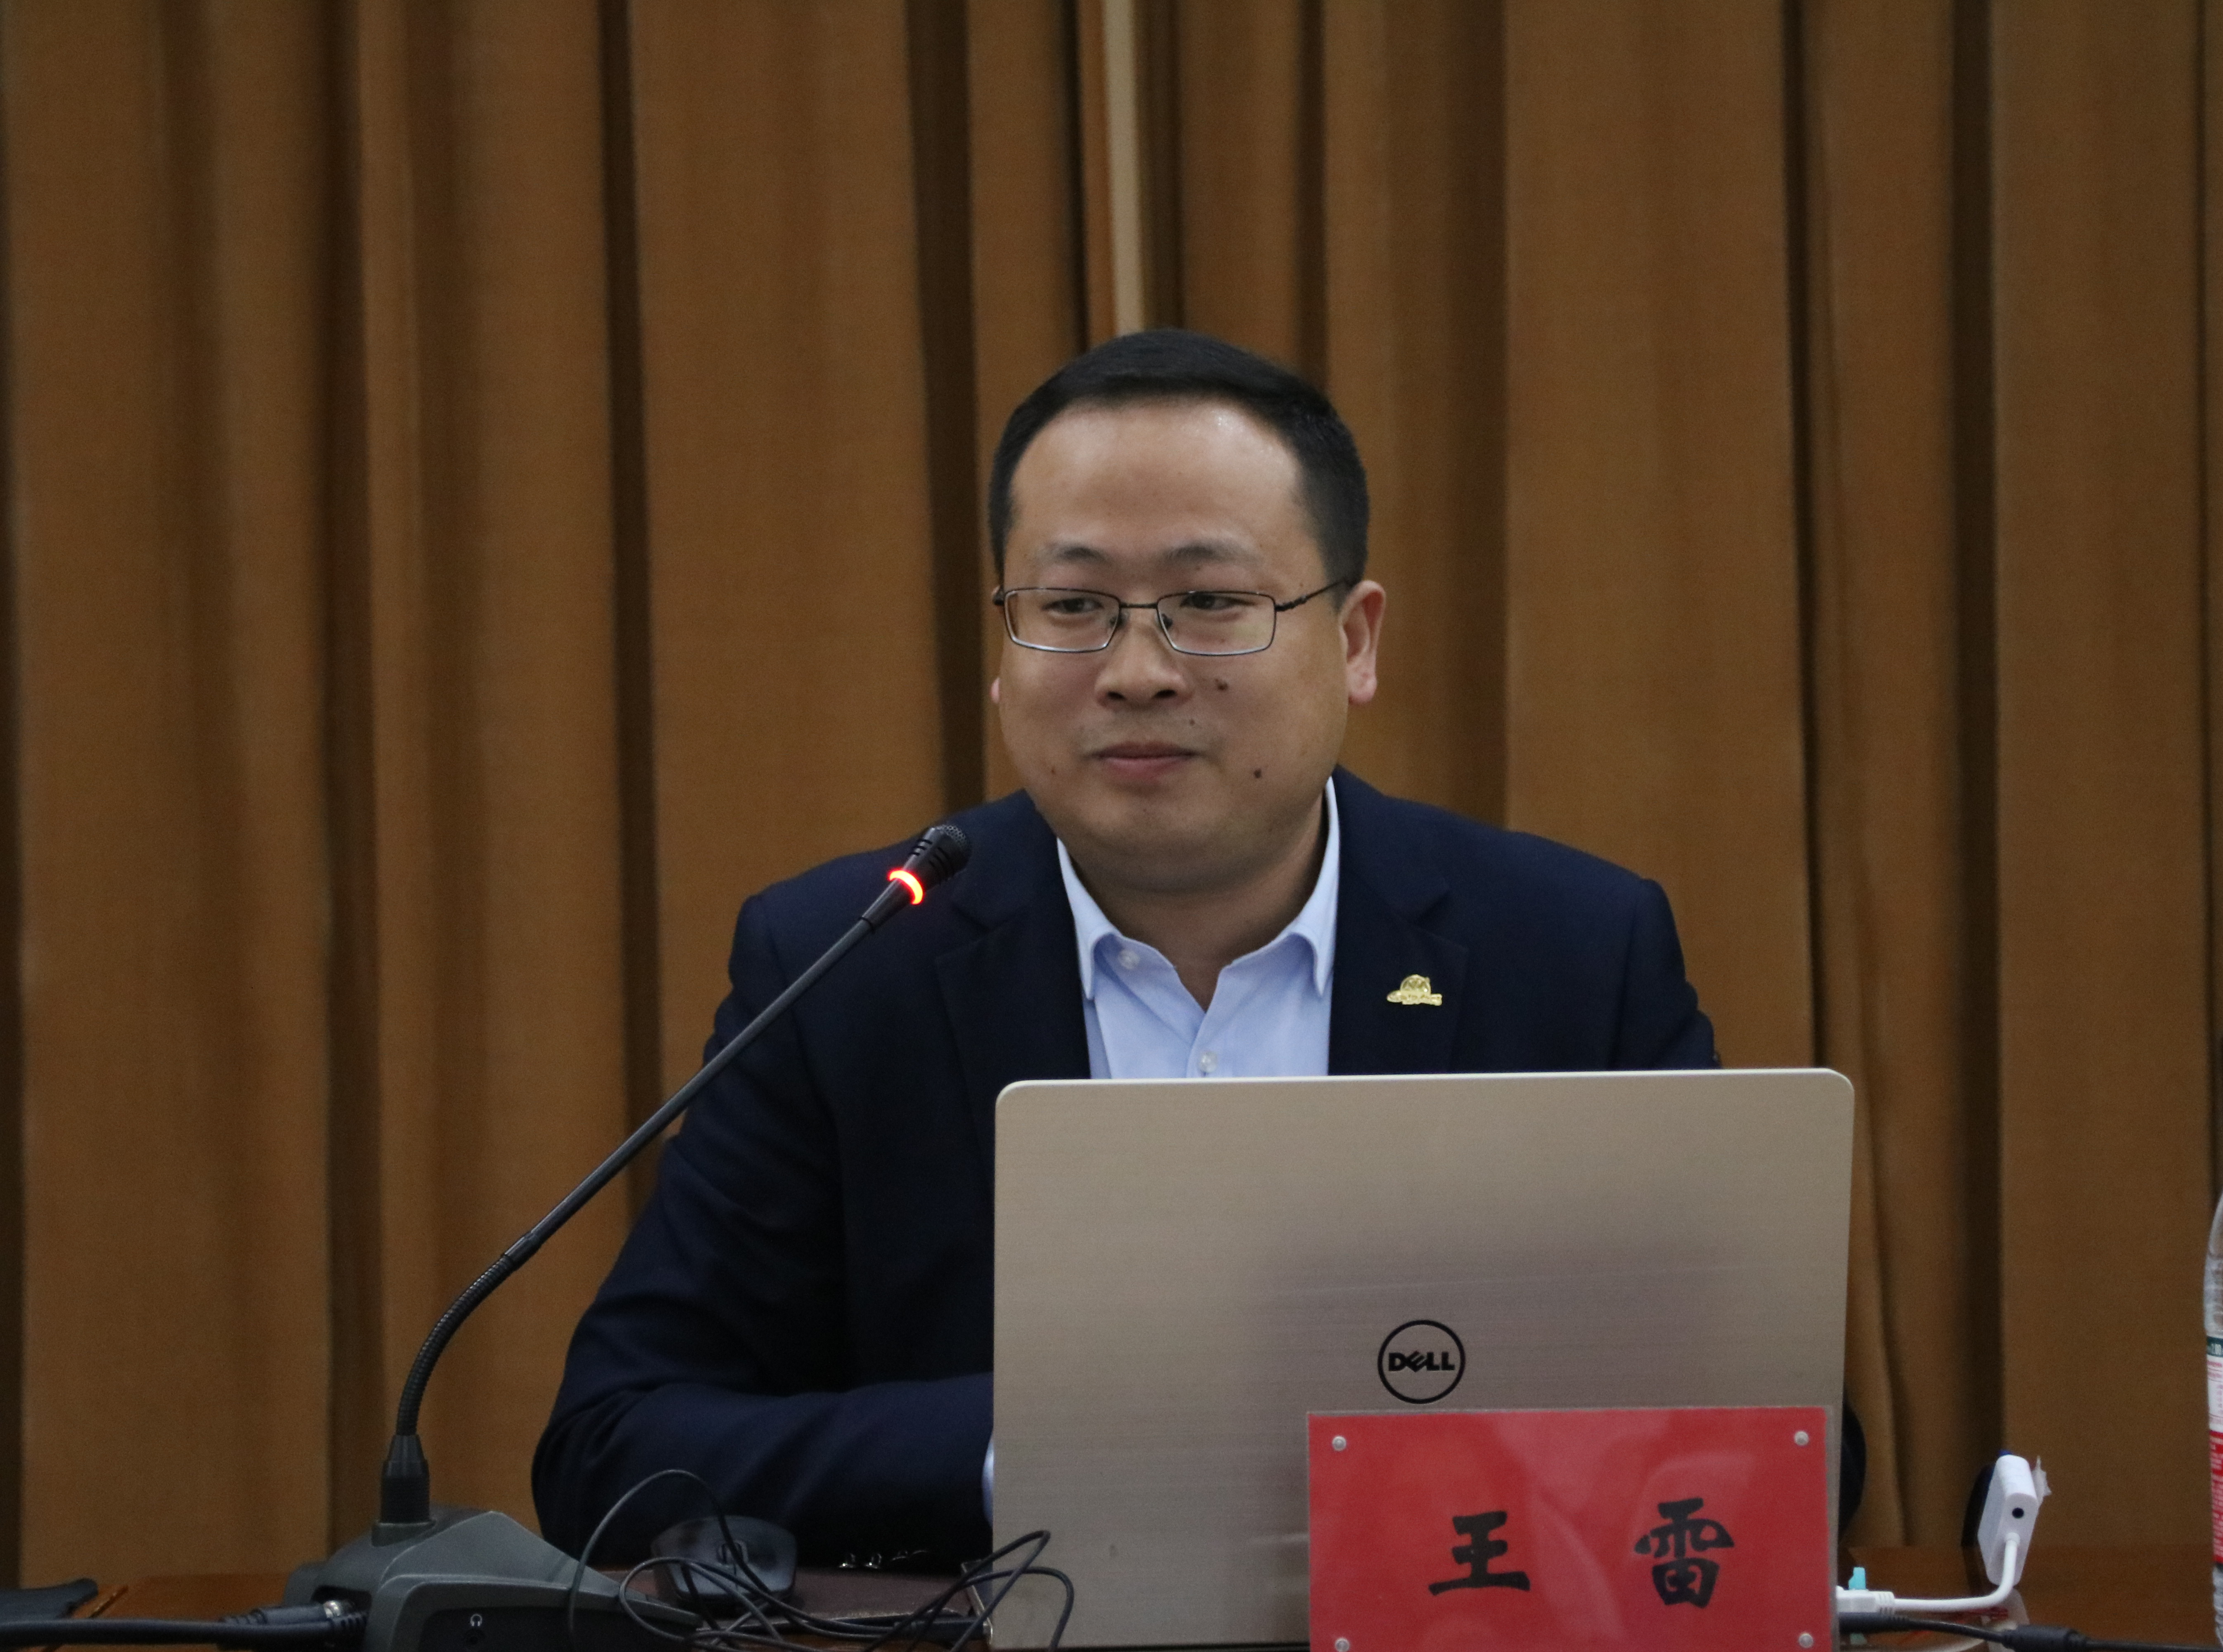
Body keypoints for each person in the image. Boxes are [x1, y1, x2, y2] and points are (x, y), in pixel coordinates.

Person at [532, 330, 1718, 1565]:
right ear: (1006, 649)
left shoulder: (1572, 952)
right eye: (1073, 607)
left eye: (1210, 604)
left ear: (1355, 641)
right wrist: (1041, 1447)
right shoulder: (847, 966)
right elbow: (616, 1451)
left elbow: (1781, 1429)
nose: (1138, 672)